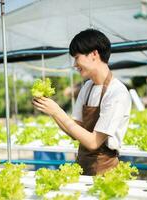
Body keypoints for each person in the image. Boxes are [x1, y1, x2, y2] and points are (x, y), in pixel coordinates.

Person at [32, 29, 132, 176]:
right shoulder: (88, 87)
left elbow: (93, 142)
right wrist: (51, 112)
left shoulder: (117, 92)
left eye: (77, 57)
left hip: (106, 171)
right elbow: (75, 132)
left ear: (94, 54)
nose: (74, 64)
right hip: (83, 165)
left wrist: (57, 111)